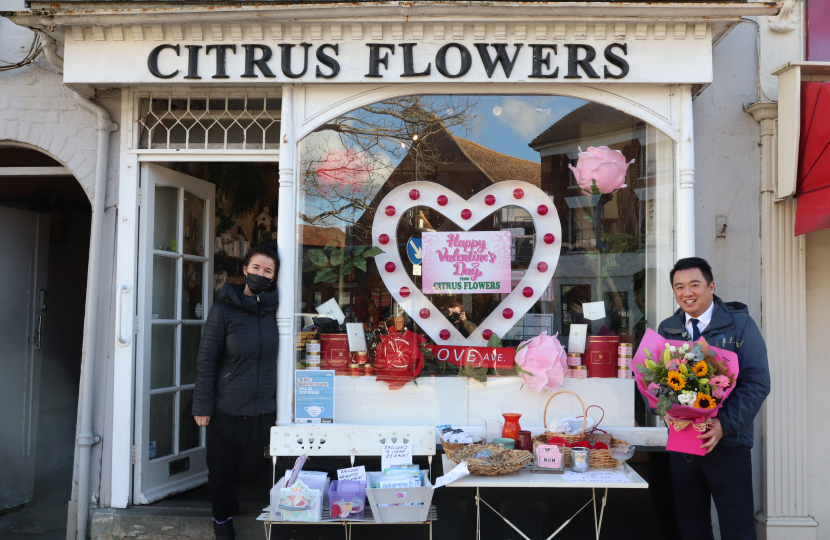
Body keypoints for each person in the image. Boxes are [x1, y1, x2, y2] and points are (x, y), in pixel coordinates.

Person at [658, 257, 770, 540]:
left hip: (728, 443)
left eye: (694, 285)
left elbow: (756, 383)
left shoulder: (740, 326)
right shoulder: (667, 328)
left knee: (738, 528)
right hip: (683, 443)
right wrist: (663, 410)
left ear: (710, 287)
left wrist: (724, 424)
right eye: (679, 287)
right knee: (691, 527)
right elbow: (654, 383)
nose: (687, 293)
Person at [192, 244, 280, 540]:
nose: (260, 274)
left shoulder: (275, 312)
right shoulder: (223, 310)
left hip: (261, 408)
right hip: (226, 407)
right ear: (244, 270)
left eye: (268, 271)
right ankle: (223, 525)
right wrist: (202, 406)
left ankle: (228, 501)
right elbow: (206, 360)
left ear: (274, 277)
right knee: (220, 473)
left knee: (249, 471)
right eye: (256, 268)